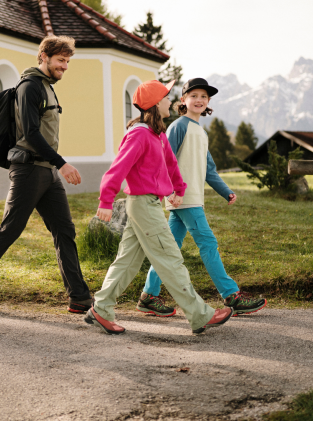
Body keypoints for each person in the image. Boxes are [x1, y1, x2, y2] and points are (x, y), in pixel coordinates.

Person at [85, 80, 234, 335]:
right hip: (142, 204)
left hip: (149, 204)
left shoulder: (158, 134)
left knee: (127, 262)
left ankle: (101, 307)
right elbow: (117, 168)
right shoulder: (140, 134)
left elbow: (171, 165)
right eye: (166, 97)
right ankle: (200, 315)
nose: (169, 101)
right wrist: (105, 202)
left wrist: (179, 189)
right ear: (155, 104)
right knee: (170, 258)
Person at [0, 35, 93, 314]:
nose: (65, 66)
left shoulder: (48, 87)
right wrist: (62, 163)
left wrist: (55, 166)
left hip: (47, 172)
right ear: (44, 58)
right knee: (9, 229)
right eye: (61, 60)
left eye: (67, 61)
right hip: (28, 170)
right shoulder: (30, 86)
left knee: (65, 231)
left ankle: (79, 296)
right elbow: (31, 132)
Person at [136, 78, 267, 318]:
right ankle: (231, 295)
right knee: (208, 243)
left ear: (208, 103)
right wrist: (173, 191)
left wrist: (225, 191)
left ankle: (149, 296)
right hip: (183, 198)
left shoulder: (200, 131)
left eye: (204, 97)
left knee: (169, 248)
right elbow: (166, 160)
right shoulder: (178, 127)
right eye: (194, 95)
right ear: (183, 101)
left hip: (190, 198)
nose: (199, 100)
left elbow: (209, 170)